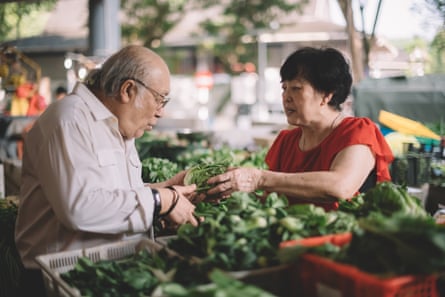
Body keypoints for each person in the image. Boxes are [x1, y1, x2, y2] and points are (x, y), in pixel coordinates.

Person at [15, 45, 200, 297]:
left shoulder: (118, 129)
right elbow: (79, 208)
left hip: (102, 273)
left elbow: (112, 195)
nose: (161, 111)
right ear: (128, 90)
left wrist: (164, 190)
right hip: (58, 281)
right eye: (160, 98)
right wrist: (161, 201)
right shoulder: (70, 120)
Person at [207, 46, 394, 210]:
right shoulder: (286, 141)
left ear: (326, 95)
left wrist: (259, 179)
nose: (286, 97)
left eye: (296, 88)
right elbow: (269, 199)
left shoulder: (357, 132)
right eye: (284, 88)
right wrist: (226, 184)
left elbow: (340, 186)